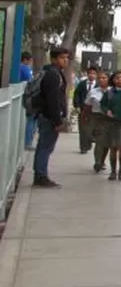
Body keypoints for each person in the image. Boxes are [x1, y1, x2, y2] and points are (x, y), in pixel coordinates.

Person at [33, 46, 70, 188]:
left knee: (43, 145)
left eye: (66, 57)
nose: (65, 60)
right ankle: (41, 176)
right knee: (46, 147)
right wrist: (57, 121)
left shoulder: (53, 72)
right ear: (54, 59)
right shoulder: (53, 74)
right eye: (62, 57)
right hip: (49, 117)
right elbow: (53, 100)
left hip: (46, 116)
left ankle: (40, 174)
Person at [84, 71, 112, 173]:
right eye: (99, 78)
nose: (101, 80)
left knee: (107, 143)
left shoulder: (112, 91)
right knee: (100, 141)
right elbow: (87, 106)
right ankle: (98, 162)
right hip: (97, 118)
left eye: (104, 78)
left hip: (109, 119)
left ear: (108, 79)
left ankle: (102, 161)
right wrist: (85, 118)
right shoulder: (93, 92)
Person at [73, 66, 98, 154]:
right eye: (90, 73)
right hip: (83, 110)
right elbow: (76, 94)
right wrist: (77, 106)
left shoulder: (98, 85)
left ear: (96, 75)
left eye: (94, 73)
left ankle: (89, 142)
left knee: (91, 129)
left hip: (94, 111)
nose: (92, 75)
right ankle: (83, 147)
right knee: (83, 129)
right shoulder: (82, 84)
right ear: (87, 74)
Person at [20, 51, 36, 150]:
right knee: (31, 119)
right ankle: (28, 142)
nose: (30, 63)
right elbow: (31, 81)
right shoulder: (25, 68)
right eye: (30, 61)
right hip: (26, 97)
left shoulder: (17, 67)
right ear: (25, 60)